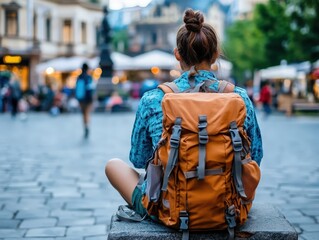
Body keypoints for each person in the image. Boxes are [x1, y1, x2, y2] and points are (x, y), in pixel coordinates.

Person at [105, 9, 263, 218]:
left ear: (177, 54)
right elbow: (256, 157)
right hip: (228, 207)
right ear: (216, 54)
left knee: (113, 166)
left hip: (170, 208)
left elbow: (138, 158)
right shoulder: (239, 97)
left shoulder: (153, 99)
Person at [75, 63, 95, 138]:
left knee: (83, 113)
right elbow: (91, 88)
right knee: (87, 112)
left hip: (81, 98)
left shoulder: (79, 77)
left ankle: (84, 126)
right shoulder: (89, 77)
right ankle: (87, 126)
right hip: (88, 98)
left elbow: (76, 88)